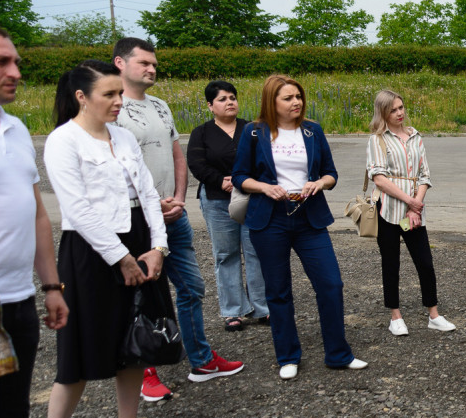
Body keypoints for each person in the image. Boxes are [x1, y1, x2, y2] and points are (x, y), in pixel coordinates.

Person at [36, 59, 175, 418]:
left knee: (136, 341)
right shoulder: (63, 141)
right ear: (82, 96)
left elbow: (149, 194)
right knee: (78, 351)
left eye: (120, 94)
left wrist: (157, 246)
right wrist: (121, 257)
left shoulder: (123, 136)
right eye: (109, 95)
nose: (119, 102)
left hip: (139, 243)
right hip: (91, 252)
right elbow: (76, 208)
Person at [0, 24, 88, 418]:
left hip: (18, 300)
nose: (17, 72)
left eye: (16, 60)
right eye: (2, 61)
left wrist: (50, 285)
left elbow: (36, 214)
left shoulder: (15, 129)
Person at [113, 39, 242, 392]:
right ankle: (145, 370)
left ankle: (200, 360)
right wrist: (155, 204)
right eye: (143, 63)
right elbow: (115, 166)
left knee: (191, 288)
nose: (152, 69)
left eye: (154, 63)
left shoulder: (160, 106)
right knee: (143, 293)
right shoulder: (113, 107)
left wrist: (179, 199)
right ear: (120, 63)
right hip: (136, 216)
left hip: (174, 215)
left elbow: (177, 155)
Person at [232, 75, 366, 380]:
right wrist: (265, 187)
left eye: (298, 97)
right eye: (288, 98)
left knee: (331, 284)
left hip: (309, 217)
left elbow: (331, 173)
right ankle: (288, 356)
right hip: (270, 219)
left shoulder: (312, 130)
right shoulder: (254, 132)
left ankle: (338, 354)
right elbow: (240, 176)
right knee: (278, 291)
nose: (296, 102)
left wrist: (319, 182)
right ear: (272, 102)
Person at [365, 89, 455, 335]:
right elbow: (379, 179)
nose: (399, 113)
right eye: (393, 110)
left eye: (401, 107)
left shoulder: (416, 136)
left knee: (425, 263)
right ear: (383, 113)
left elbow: (425, 174)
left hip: (414, 213)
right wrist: (410, 202)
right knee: (391, 264)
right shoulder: (378, 140)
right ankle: (395, 316)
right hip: (388, 212)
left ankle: (433, 314)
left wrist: (417, 204)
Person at [187, 80, 268, 337]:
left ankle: (262, 307)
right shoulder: (201, 133)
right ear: (210, 106)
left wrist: (241, 181)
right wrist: (219, 180)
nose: (229, 102)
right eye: (222, 99)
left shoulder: (253, 129)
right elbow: (196, 164)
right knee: (226, 254)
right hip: (216, 200)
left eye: (232, 97)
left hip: (250, 198)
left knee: (256, 251)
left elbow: (264, 159)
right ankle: (233, 310)